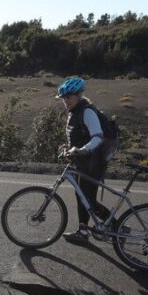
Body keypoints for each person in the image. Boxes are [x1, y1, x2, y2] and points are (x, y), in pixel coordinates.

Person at [56, 76, 111, 244]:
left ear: (78, 96)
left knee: (87, 198)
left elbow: (98, 137)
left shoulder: (87, 111)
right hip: (84, 162)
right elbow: (79, 136)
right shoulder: (74, 112)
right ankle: (84, 231)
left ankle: (116, 226)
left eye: (69, 97)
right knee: (82, 196)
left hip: (93, 162)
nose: (66, 101)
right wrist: (67, 147)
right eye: (63, 98)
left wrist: (81, 150)